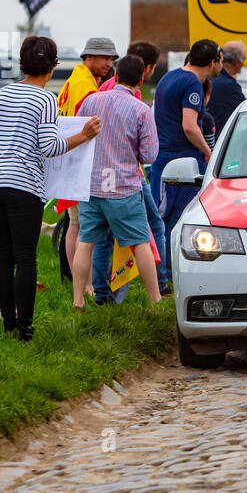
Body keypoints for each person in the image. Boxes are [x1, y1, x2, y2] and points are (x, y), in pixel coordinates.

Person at [0, 36, 100, 340]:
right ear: (53, 67)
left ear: (21, 63)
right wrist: (82, 136)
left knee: (3, 256)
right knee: (25, 257)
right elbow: (49, 146)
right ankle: (25, 326)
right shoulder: (44, 99)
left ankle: (7, 325)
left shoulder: (2, 93)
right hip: (23, 185)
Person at [73, 54, 161, 309]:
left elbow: (79, 136)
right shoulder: (141, 110)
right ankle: (154, 299)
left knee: (86, 242)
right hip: (124, 188)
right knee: (140, 242)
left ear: (116, 75)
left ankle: (78, 300)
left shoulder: (91, 102)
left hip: (91, 186)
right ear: (141, 79)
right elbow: (149, 155)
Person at [57, 37, 118, 289]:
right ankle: (87, 286)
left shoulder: (75, 80)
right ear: (89, 56)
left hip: (70, 158)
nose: (109, 63)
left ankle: (78, 283)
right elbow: (94, 127)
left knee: (76, 223)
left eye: (112, 58)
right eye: (105, 57)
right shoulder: (84, 85)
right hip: (81, 160)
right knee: (84, 228)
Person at [151, 39, 220, 252]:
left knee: (160, 218)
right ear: (212, 62)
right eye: (221, 60)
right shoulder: (192, 83)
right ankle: (169, 272)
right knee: (178, 220)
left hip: (162, 157)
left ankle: (161, 272)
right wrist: (208, 152)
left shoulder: (169, 76)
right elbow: (189, 126)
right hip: (181, 162)